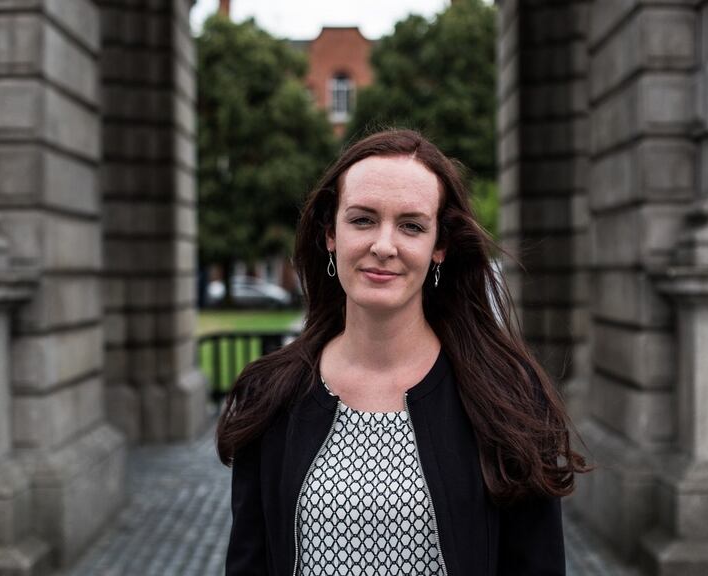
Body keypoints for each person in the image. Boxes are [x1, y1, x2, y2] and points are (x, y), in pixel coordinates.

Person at [217, 129, 588, 575]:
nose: (384, 246)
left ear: (440, 247)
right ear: (330, 234)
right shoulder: (271, 395)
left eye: (411, 225)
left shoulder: (505, 397)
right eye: (362, 219)